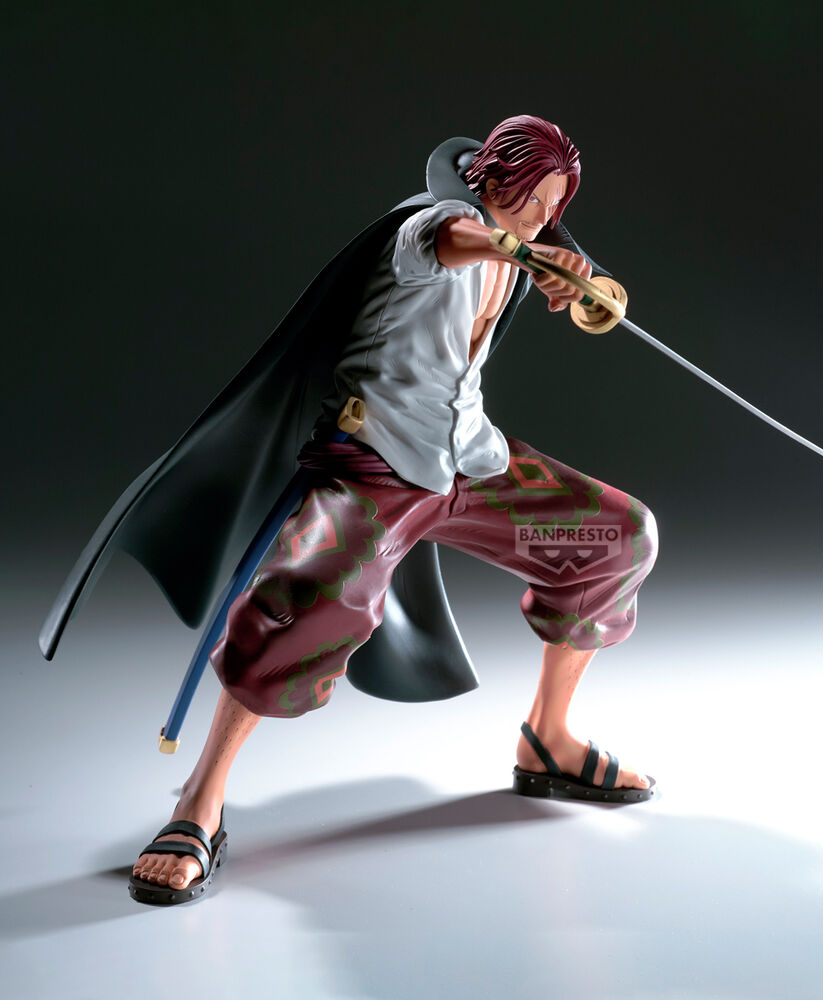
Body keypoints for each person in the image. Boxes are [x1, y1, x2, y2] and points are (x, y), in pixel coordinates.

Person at [120, 115, 658, 903]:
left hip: (468, 465)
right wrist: (529, 254)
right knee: (303, 599)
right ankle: (201, 800)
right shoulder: (429, 228)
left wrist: (561, 272)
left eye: (554, 206)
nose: (543, 217)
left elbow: (520, 259)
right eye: (532, 198)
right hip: (378, 468)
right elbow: (451, 241)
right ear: (493, 179)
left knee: (617, 537)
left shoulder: (518, 252)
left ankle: (549, 739)